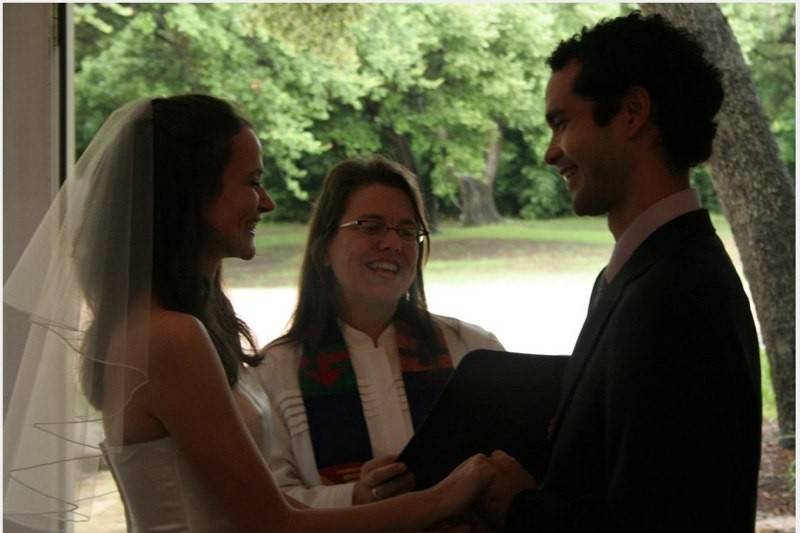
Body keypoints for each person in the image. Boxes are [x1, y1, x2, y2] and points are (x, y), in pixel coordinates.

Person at [3, 95, 494, 533]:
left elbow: (273, 506)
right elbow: (275, 525)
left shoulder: (161, 325)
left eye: (409, 231)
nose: (268, 202)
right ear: (192, 192)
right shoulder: (169, 337)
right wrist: (445, 497)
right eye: (253, 181)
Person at [478, 12, 761, 532]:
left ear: (632, 112)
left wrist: (518, 506)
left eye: (563, 123)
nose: (550, 153)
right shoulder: (635, 276)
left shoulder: (679, 295)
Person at [258, 156, 505, 508]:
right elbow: (271, 502)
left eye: (407, 231)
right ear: (324, 247)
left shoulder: (473, 350)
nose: (393, 244)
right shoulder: (274, 372)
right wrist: (354, 495)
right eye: (370, 226)